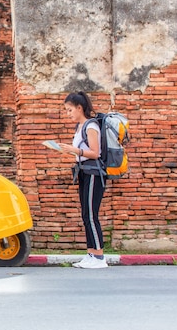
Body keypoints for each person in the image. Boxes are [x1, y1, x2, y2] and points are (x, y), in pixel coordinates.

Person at [58, 91, 108, 269]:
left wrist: (74, 150)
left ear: (80, 108)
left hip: (94, 173)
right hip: (83, 172)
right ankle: (90, 254)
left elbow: (95, 153)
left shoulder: (91, 126)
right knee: (86, 214)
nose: (68, 113)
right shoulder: (79, 127)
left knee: (91, 215)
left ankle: (99, 257)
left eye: (70, 110)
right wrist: (69, 150)